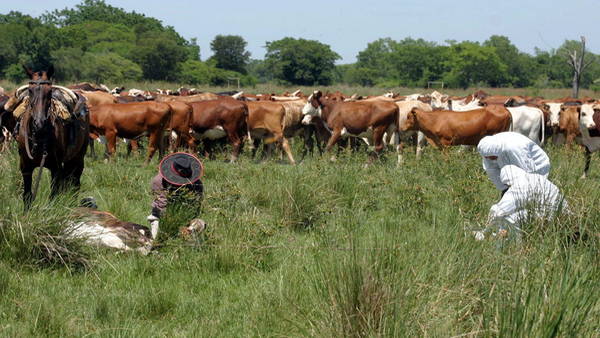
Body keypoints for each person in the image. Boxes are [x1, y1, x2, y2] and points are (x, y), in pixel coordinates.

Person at [475, 165, 568, 241]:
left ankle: (513, 244)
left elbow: (497, 211)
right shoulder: (538, 178)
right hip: (563, 219)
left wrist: (485, 232)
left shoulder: (520, 185)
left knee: (508, 217)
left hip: (548, 219)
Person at [147, 152, 204, 239]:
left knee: (200, 224)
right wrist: (175, 225)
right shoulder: (158, 181)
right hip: (162, 215)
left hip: (186, 214)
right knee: (155, 234)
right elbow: (162, 206)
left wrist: (187, 222)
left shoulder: (197, 184)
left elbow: (196, 205)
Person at [477, 132, 550, 193]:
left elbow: (528, 169)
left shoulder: (515, 147)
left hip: (537, 165)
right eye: (487, 157)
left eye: (492, 157)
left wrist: (528, 188)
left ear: (497, 151)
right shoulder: (486, 148)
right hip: (512, 164)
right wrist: (504, 189)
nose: (489, 159)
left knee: (534, 190)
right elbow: (492, 170)